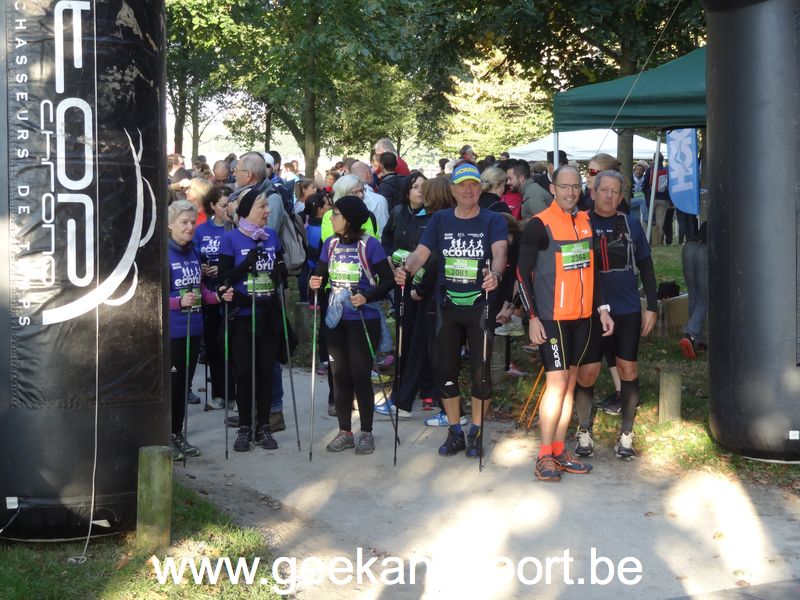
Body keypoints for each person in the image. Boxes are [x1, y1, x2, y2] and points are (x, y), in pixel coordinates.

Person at [395, 163, 508, 458]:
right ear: (453, 190)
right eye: (462, 185)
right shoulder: (440, 220)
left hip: (480, 306)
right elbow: (421, 254)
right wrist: (406, 270)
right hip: (447, 307)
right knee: (445, 371)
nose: (469, 190)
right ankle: (455, 430)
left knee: (481, 373)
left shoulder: (493, 219)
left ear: (480, 188)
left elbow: (500, 253)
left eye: (474, 184)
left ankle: (477, 431)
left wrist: (495, 274)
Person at [516, 166, 614, 482]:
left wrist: (602, 309)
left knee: (570, 385)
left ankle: (559, 450)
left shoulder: (585, 221)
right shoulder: (539, 224)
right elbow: (520, 274)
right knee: (557, 384)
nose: (571, 192)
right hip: (552, 317)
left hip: (582, 318)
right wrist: (532, 317)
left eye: (575, 186)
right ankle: (544, 455)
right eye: (564, 186)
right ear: (553, 188)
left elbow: (593, 270)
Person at [573, 171, 657, 460]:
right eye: (604, 189)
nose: (609, 195)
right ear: (593, 192)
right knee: (588, 371)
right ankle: (584, 430)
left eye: (615, 191)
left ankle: (626, 434)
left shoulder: (631, 224)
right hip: (588, 309)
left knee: (627, 369)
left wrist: (652, 306)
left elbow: (646, 265)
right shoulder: (580, 222)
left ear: (621, 196)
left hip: (627, 308)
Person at [310, 196, 395, 454]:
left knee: (360, 375)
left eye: (336, 214)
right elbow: (319, 275)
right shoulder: (330, 244)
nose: (332, 218)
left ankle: (366, 432)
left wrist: (367, 296)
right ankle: (344, 431)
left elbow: (388, 280)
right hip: (335, 320)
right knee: (339, 376)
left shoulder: (370, 245)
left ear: (348, 219)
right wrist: (314, 282)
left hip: (363, 319)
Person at [218, 189, 286, 452]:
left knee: (266, 372)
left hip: (268, 315)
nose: (267, 211)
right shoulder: (231, 239)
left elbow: (280, 271)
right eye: (262, 206)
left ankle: (264, 426)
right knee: (244, 373)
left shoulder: (271, 237)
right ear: (246, 211)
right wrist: (246, 263)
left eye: (267, 206)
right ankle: (245, 426)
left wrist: (279, 269)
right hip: (242, 316)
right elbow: (223, 279)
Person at [167, 200, 222, 460]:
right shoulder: (163, 255)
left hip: (194, 328)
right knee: (173, 386)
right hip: (173, 332)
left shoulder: (194, 252)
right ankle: (165, 435)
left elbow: (201, 291)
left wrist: (218, 297)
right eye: (183, 223)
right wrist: (178, 302)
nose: (190, 227)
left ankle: (176, 433)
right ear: (170, 225)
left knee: (184, 386)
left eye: (192, 222)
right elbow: (155, 297)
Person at [380, 171, 436, 416]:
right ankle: (403, 391)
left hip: (425, 282)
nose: (420, 191)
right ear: (407, 191)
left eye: (424, 186)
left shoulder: (433, 215)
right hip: (402, 280)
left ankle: (427, 391)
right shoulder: (398, 212)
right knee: (406, 335)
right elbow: (386, 238)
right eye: (415, 187)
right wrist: (389, 258)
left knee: (423, 337)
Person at [193, 186, 235, 412]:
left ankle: (234, 393)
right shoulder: (201, 230)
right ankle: (219, 394)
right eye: (222, 205)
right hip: (208, 294)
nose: (227, 209)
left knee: (230, 344)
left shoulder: (234, 228)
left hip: (230, 294)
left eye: (229, 205)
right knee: (213, 345)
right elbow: (193, 255)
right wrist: (201, 267)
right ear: (212, 206)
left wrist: (223, 269)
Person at [680, 221, 708, 359]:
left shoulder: (709, 220)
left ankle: (698, 341)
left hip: (689, 247)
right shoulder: (725, 221)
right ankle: (691, 334)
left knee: (693, 296)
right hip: (704, 251)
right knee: (705, 299)